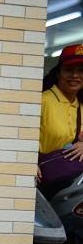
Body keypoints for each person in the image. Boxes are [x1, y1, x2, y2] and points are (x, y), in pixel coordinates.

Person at [38, 43, 83, 200]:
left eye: (81, 70)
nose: (75, 76)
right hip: (44, 185)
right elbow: (19, 136)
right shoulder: (43, 101)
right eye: (69, 70)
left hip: (73, 189)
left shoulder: (81, 105)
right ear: (58, 73)